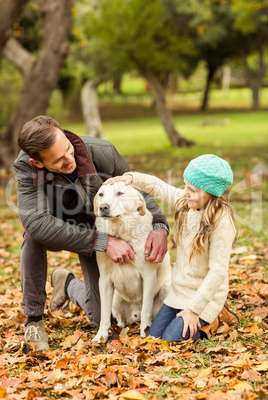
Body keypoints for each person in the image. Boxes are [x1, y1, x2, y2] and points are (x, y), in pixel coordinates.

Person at [14, 115, 169, 351]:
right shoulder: (27, 167)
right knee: (32, 236)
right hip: (57, 228)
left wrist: (159, 225)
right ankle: (34, 320)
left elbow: (136, 190)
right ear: (38, 163)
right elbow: (37, 223)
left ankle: (66, 284)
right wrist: (101, 241)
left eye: (68, 149)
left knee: (102, 317)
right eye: (58, 160)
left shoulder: (103, 153)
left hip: (92, 225)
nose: (69, 159)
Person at [105, 154, 238, 343]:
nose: (185, 192)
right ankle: (192, 318)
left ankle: (216, 317)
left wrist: (194, 310)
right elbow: (159, 187)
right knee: (154, 338)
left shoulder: (221, 222)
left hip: (205, 298)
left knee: (172, 341)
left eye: (192, 189)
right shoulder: (187, 205)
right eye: (185, 186)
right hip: (179, 292)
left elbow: (217, 272)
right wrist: (132, 178)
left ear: (210, 193)